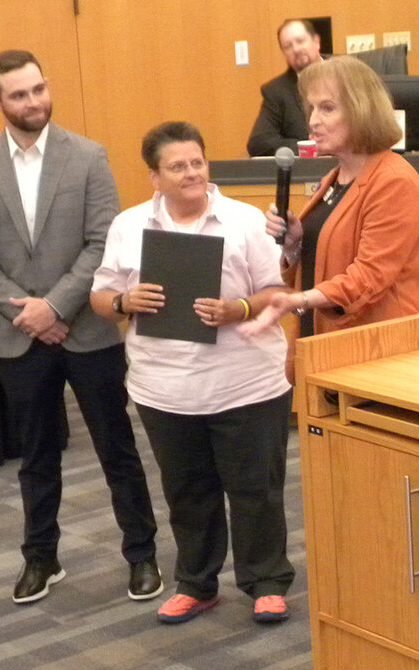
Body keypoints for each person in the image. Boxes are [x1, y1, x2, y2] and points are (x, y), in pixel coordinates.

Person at [0, 49, 160, 606]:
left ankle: (142, 555)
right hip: (17, 336)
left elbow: (104, 242)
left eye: (39, 89)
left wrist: (56, 307)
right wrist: (28, 313)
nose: (34, 101)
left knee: (116, 447)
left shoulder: (88, 157)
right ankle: (40, 558)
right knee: (37, 456)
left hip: (87, 332)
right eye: (19, 94)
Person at [89, 122, 294, 626]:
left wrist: (239, 308)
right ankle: (197, 584)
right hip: (165, 388)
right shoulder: (129, 226)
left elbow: (278, 292)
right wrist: (122, 301)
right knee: (187, 492)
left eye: (197, 162)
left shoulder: (245, 221)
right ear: (154, 177)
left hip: (246, 383)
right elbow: (100, 297)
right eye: (177, 166)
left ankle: (265, 581)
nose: (191, 173)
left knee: (256, 490)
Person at [242, 56, 419, 381]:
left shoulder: (394, 181)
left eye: (327, 108)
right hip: (328, 347)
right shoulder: (335, 177)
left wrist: (295, 300)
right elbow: (321, 262)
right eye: (311, 108)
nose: (313, 121)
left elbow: (368, 277)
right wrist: (295, 244)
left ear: (361, 111)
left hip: (376, 356)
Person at [246, 18, 326, 156]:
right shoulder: (276, 91)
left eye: (300, 41)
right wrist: (310, 148)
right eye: (288, 46)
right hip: (309, 170)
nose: (296, 49)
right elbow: (258, 142)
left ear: (316, 41)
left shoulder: (348, 72)